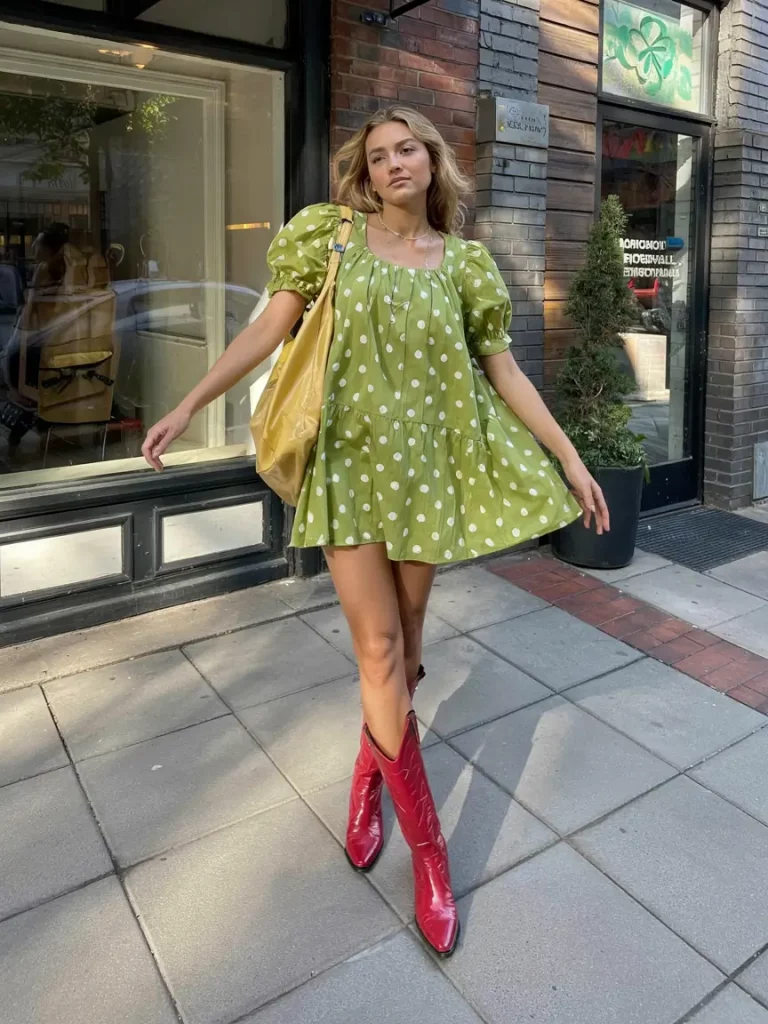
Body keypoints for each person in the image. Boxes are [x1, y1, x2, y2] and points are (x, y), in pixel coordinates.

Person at [141, 106, 610, 958]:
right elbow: (265, 329)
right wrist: (186, 405)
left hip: (427, 478)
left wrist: (571, 458)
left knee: (410, 646)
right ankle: (430, 854)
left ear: (433, 164)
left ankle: (369, 773)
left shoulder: (464, 266)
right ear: (365, 171)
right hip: (350, 472)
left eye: (409, 149)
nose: (395, 163)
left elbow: (504, 372)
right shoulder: (329, 239)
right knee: (381, 653)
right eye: (379, 154)